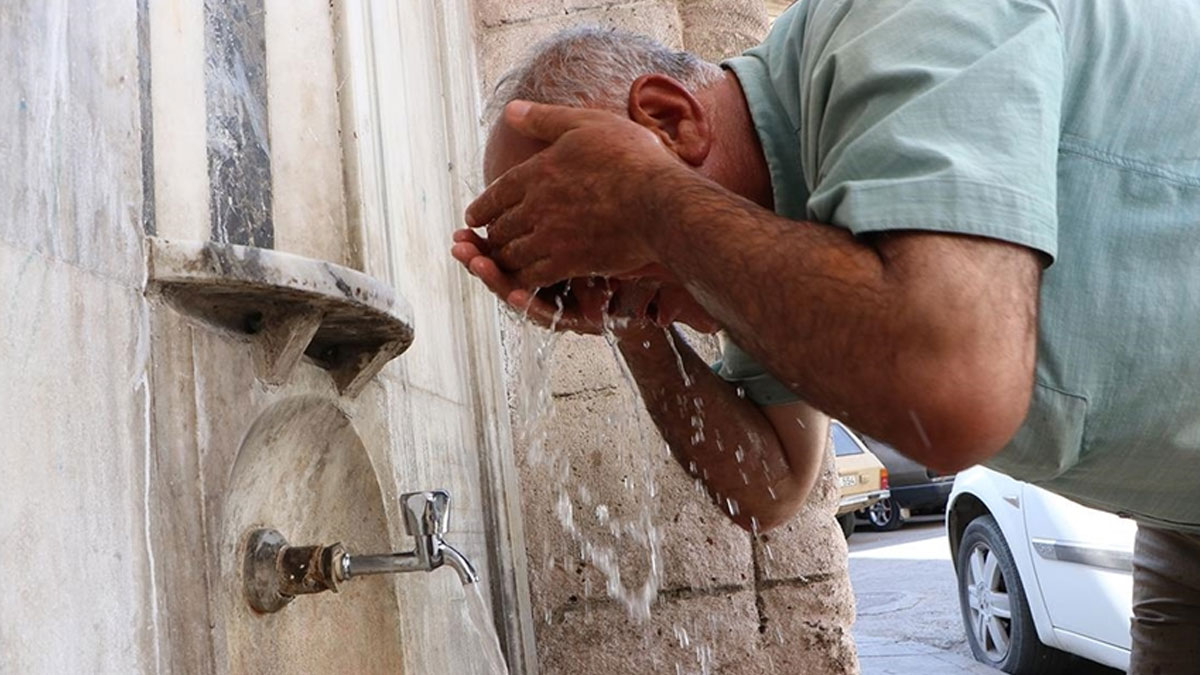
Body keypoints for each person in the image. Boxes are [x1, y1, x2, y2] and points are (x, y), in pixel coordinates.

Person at [452, 1, 1200, 672]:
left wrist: (645, 203)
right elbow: (771, 484)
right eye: (571, 269)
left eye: (581, 222)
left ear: (671, 121)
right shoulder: (759, 250)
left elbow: (954, 391)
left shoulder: (899, 24)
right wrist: (625, 312)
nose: (590, 274)